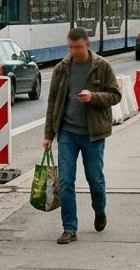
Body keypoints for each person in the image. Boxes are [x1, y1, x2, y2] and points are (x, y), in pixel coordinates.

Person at [42, 27, 121, 244]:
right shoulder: (62, 69)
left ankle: (99, 209)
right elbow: (52, 103)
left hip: (93, 134)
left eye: (78, 47)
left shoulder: (101, 66)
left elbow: (115, 95)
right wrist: (49, 134)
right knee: (66, 181)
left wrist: (93, 96)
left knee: (95, 180)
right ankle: (69, 229)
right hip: (67, 133)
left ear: (88, 45)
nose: (74, 52)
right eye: (71, 47)